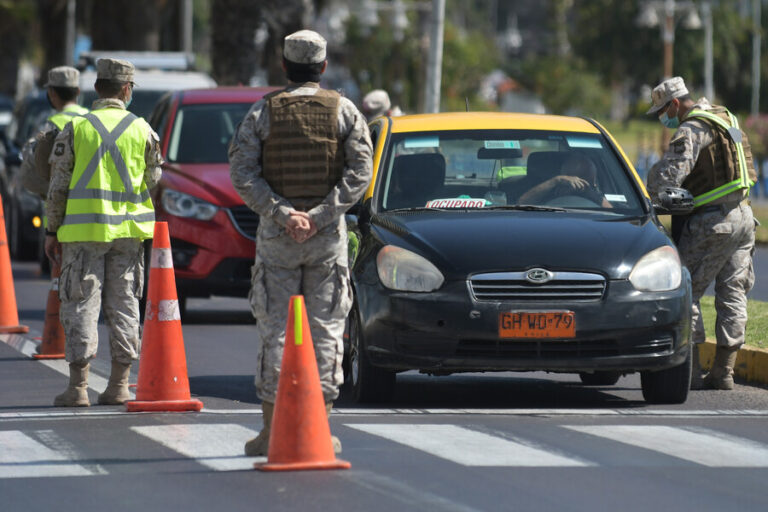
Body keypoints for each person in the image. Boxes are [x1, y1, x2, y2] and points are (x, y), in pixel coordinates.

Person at [229, 29, 372, 456]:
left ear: (285, 67)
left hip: (277, 238)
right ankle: (319, 428)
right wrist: (320, 216)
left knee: (274, 331)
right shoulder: (345, 110)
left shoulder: (262, 112)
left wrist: (280, 212)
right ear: (324, 67)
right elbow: (360, 172)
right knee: (327, 329)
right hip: (326, 239)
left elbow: (241, 171)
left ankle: (270, 431)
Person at [45, 58, 163, 406]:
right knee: (125, 304)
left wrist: (52, 230)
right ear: (127, 90)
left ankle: (78, 388)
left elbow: (58, 187)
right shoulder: (143, 130)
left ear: (97, 89)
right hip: (128, 234)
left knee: (81, 302)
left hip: (84, 233)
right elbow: (153, 180)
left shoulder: (76, 129)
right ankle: (119, 385)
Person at [645, 76, 757, 390]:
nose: (661, 118)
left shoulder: (690, 130)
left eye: (662, 111)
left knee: (685, 290)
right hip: (744, 216)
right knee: (733, 293)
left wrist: (647, 197)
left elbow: (668, 178)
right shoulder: (726, 117)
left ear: (675, 104)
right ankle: (724, 372)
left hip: (713, 222)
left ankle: (690, 371)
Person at [20, 66, 89, 201]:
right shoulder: (93, 120)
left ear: (51, 93)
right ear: (78, 92)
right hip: (89, 204)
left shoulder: (48, 126)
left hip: (58, 207)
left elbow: (31, 167)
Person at [518, 153, 611, 207]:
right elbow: (522, 203)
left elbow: (613, 213)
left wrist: (589, 193)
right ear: (566, 178)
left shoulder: (592, 195)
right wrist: (554, 182)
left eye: (589, 182)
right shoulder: (549, 192)